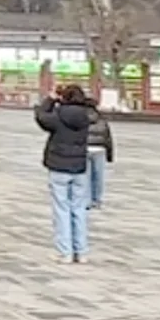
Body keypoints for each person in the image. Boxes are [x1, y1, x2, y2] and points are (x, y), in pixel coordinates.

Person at [35, 85, 91, 264]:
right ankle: (81, 251)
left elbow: (41, 117)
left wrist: (50, 99)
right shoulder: (86, 116)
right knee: (79, 209)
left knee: (61, 209)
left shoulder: (58, 116)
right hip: (79, 167)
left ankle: (64, 251)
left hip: (59, 167)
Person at [85, 94, 115, 209]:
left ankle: (87, 200)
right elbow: (108, 138)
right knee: (99, 176)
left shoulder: (79, 118)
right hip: (100, 149)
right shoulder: (102, 119)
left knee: (86, 176)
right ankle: (97, 200)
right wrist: (110, 155)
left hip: (85, 149)